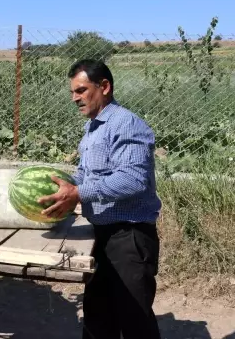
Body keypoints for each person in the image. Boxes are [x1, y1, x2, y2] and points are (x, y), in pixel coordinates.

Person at [38, 59, 162, 339]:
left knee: (134, 318)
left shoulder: (126, 124)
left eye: (81, 90)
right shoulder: (93, 127)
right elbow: (85, 174)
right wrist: (63, 187)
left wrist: (79, 193)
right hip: (101, 234)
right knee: (97, 315)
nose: (74, 98)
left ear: (104, 86)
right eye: (72, 92)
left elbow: (132, 179)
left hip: (129, 236)